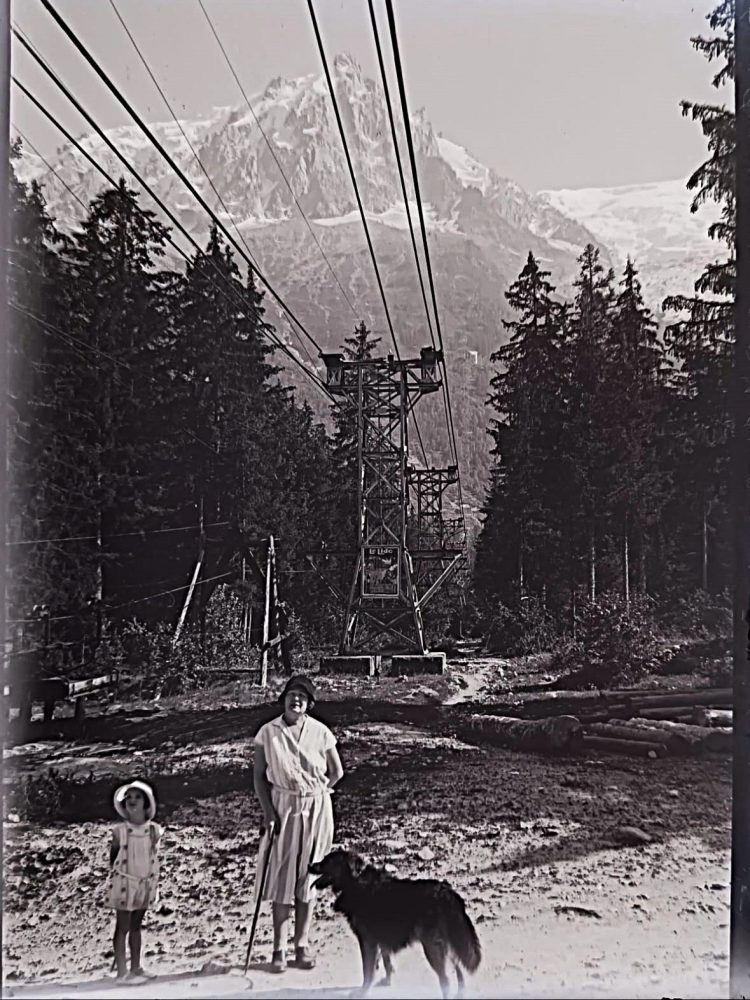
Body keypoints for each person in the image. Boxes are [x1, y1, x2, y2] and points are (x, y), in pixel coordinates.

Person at [253, 674, 344, 973]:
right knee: (281, 876)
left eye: (302, 698)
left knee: (308, 879)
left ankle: (301, 947)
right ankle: (278, 950)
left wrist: (319, 793)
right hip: (283, 806)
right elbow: (258, 776)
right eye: (292, 695)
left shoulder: (321, 732)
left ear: (309, 704)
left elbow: (337, 772)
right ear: (284, 698)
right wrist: (268, 811)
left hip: (317, 808)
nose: (296, 701)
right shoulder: (268, 733)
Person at [108, 780, 162, 981]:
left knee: (136, 926)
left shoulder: (154, 831)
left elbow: (152, 856)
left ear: (146, 803)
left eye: (138, 797)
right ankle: (122, 971)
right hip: (124, 883)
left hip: (144, 882)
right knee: (122, 926)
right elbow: (113, 859)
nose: (132, 801)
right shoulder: (119, 831)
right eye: (129, 797)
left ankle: (136, 967)